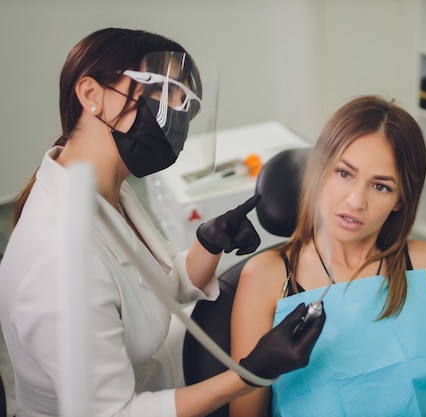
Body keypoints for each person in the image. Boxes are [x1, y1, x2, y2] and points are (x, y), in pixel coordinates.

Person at [0, 28, 324, 417]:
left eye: (184, 101)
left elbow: (156, 284)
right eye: (162, 91)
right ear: (91, 95)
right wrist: (250, 374)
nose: (176, 114)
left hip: (160, 378)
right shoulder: (58, 256)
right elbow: (113, 413)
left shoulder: (107, 192)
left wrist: (208, 242)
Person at [229, 95, 426, 417]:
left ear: (400, 200)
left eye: (381, 187)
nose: (356, 201)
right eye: (344, 173)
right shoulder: (265, 276)